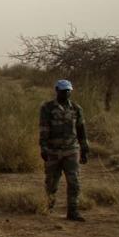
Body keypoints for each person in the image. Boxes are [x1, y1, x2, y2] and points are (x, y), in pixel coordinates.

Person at [40, 79, 88, 222]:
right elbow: (43, 129)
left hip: (71, 150)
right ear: (57, 90)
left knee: (74, 182)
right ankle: (47, 208)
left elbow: (81, 129)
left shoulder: (76, 108)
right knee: (51, 183)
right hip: (53, 151)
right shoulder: (47, 108)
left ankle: (73, 212)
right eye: (63, 90)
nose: (66, 93)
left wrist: (84, 148)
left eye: (68, 90)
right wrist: (43, 148)